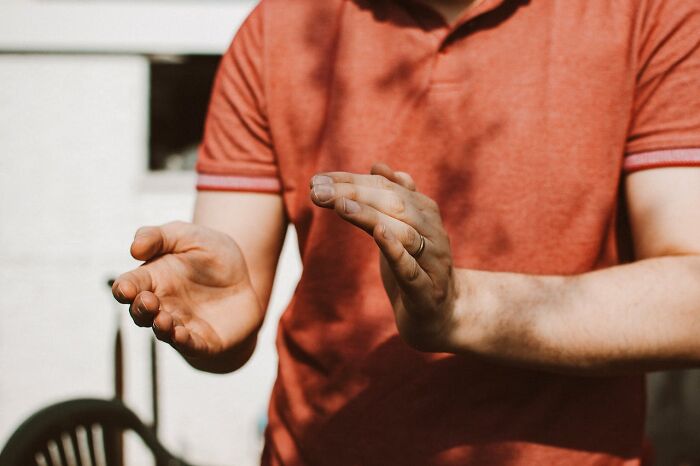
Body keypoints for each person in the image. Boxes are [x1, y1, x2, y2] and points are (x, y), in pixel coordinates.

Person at [112, 0, 700, 464]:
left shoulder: (651, 14)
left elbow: (691, 296)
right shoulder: (279, 28)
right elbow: (226, 300)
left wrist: (463, 308)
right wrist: (221, 318)